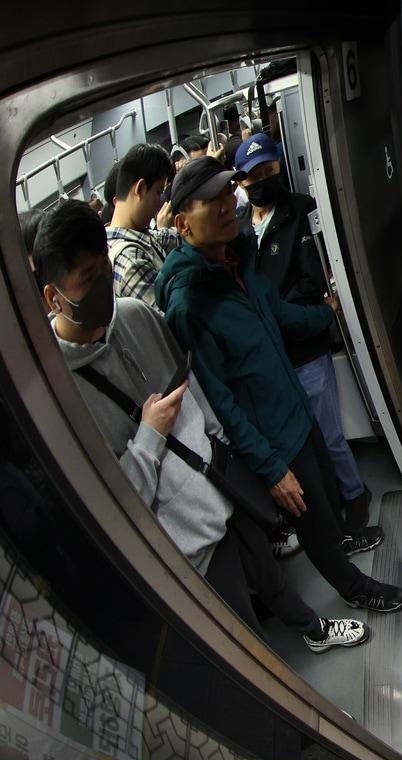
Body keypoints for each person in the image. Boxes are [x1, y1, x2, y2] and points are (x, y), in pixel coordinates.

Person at [36, 200, 367, 652]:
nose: (102, 289)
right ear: (53, 297)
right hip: (184, 539)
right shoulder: (62, 392)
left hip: (222, 486)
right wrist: (149, 437)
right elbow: (112, 500)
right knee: (240, 636)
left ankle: (314, 631)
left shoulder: (133, 315)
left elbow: (193, 387)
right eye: (87, 279)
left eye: (104, 272)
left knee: (273, 582)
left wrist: (222, 446)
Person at [154, 157, 402, 613]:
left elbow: (278, 315)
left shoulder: (237, 263)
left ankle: (345, 539)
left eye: (227, 193)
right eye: (211, 201)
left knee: (328, 494)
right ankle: (355, 589)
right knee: (311, 518)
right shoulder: (189, 304)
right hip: (272, 437)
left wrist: (324, 313)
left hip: (295, 406)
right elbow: (219, 403)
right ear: (183, 223)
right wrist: (270, 469)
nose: (227, 205)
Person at [233, 134, 375, 533]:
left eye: (269, 170)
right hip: (272, 355)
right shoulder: (240, 229)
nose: (262, 180)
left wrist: (276, 313)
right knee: (300, 441)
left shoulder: (301, 211)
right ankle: (327, 503)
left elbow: (312, 282)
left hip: (305, 346)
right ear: (242, 181)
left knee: (328, 433)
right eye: (253, 176)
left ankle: (354, 494)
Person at [105, 144, 180, 307]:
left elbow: (177, 235)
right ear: (140, 188)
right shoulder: (130, 261)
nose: (159, 204)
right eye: (158, 192)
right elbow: (169, 316)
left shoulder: (141, 236)